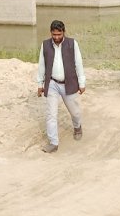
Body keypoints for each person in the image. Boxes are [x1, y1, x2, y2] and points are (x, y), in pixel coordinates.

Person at [37, 20, 86, 153]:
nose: (57, 37)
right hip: (52, 83)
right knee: (51, 115)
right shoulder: (45, 45)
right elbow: (41, 65)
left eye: (59, 34)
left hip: (69, 83)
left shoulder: (72, 44)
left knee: (75, 112)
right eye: (54, 35)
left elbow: (79, 64)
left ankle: (77, 127)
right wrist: (40, 84)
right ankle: (53, 143)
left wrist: (82, 82)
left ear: (63, 32)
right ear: (51, 33)